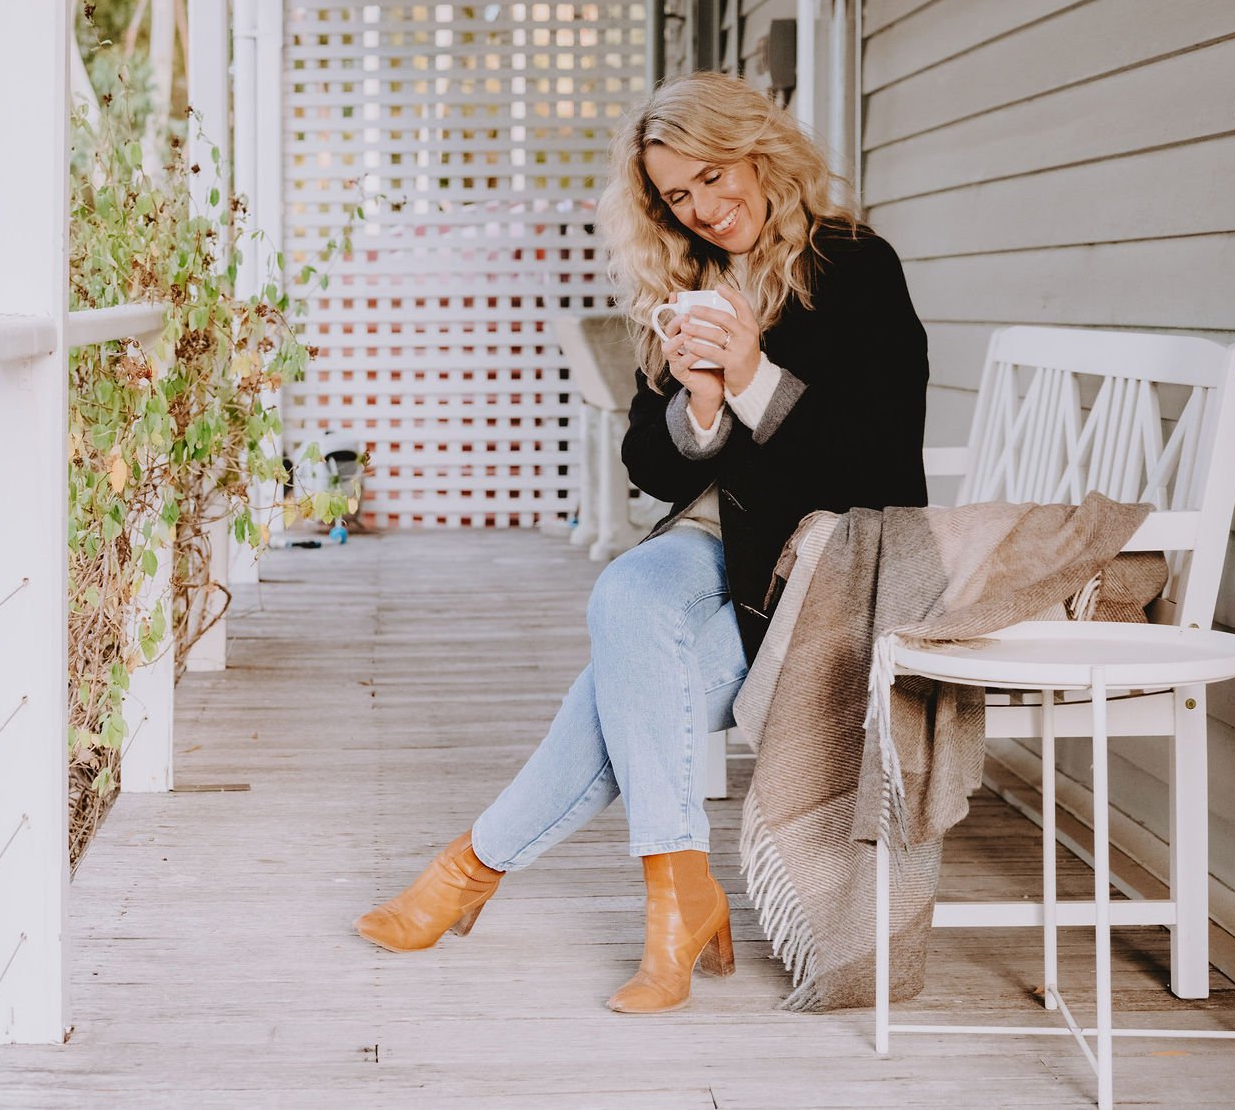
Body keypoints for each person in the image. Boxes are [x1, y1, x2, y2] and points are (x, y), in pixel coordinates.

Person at [352, 71, 930, 1013]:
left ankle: (470, 870)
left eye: (712, 175)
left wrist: (750, 379)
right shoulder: (690, 281)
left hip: (816, 568)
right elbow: (649, 467)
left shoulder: (858, 268)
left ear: (757, 149)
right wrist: (699, 404)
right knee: (627, 594)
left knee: (628, 686)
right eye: (678, 196)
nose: (705, 207)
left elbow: (873, 458)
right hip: (716, 542)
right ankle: (680, 893)